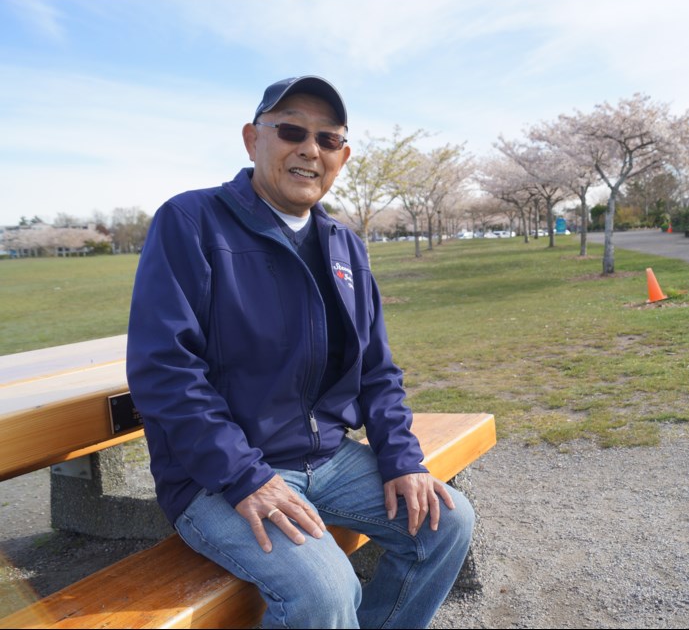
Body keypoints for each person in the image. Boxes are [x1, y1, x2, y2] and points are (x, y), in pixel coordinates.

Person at [126, 76, 474, 629]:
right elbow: (165, 371)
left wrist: (402, 460)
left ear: (343, 155)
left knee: (445, 524)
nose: (310, 149)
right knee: (325, 591)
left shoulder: (345, 245)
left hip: (326, 459)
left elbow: (377, 369)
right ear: (252, 139)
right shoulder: (191, 221)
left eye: (328, 140)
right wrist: (244, 477)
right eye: (291, 130)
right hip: (218, 475)